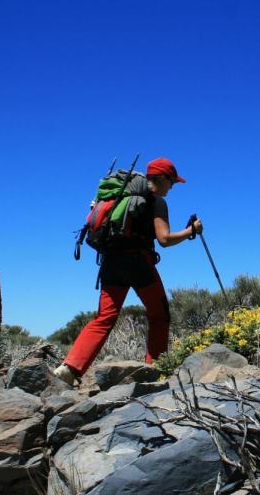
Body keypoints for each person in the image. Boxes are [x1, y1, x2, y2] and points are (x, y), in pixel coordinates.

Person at [53, 158, 203, 386]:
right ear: (161, 179)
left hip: (111, 262)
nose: (172, 188)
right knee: (159, 314)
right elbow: (164, 239)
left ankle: (70, 368)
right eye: (172, 182)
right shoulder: (156, 201)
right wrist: (190, 230)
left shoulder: (116, 196)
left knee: (104, 318)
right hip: (138, 263)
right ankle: (157, 370)